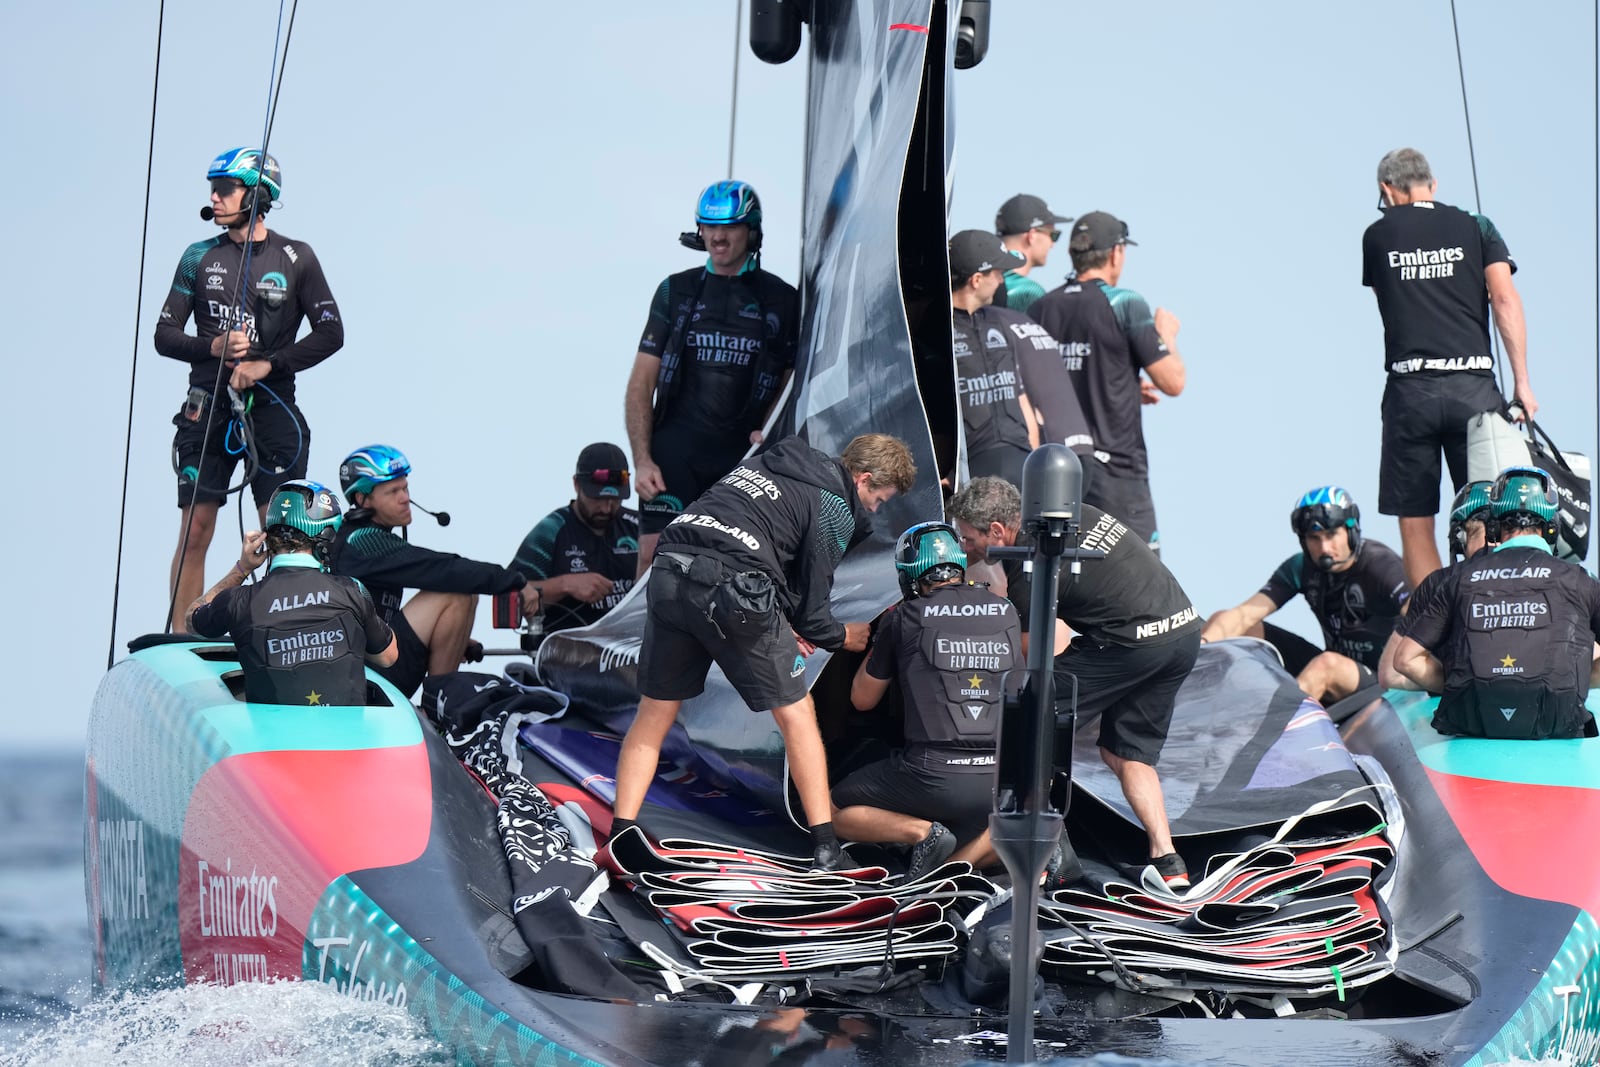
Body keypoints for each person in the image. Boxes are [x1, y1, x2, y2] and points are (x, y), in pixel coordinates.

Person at [610, 433, 918, 871]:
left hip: (669, 568)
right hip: (732, 587)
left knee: (655, 712)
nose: (874, 509)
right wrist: (843, 636)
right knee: (797, 713)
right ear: (863, 478)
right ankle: (827, 847)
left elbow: (767, 545)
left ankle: (620, 832)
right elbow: (813, 611)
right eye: (878, 499)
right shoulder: (833, 504)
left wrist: (786, 619)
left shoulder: (766, 464)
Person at [948, 476, 1200, 889]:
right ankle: (1168, 859)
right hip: (1183, 632)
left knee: (1034, 712)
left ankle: (1046, 849)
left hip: (1133, 642)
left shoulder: (1032, 562)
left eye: (968, 538)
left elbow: (1030, 657)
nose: (964, 547)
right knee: (1126, 755)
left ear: (997, 531)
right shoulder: (1066, 512)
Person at [156, 146, 344, 632]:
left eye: (224, 189)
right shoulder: (198, 256)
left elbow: (331, 333)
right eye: (211, 189)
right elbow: (164, 335)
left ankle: (284, 635)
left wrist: (268, 365)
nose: (213, 198)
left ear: (258, 195)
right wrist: (213, 345)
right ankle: (182, 635)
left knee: (284, 532)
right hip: (208, 406)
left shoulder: (297, 257)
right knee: (196, 528)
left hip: (272, 408)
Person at [1362, 147, 1537, 590]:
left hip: (1409, 388)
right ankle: (1490, 607)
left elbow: (1389, 301)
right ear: (1433, 185)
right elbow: (1504, 299)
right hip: (1473, 386)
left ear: (1387, 189)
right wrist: (1522, 384)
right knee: (1487, 508)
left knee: (1416, 517)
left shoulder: (1377, 235)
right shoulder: (1477, 226)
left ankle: (1431, 626)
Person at [624, 180, 801, 577]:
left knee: (735, 563)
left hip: (739, 456)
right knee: (654, 555)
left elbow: (791, 379)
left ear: (751, 230)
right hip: (674, 452)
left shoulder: (782, 299)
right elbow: (640, 383)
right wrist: (642, 459)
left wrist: (771, 430)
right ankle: (642, 640)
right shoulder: (675, 291)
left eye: (730, 227)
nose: (718, 236)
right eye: (709, 226)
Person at [834, 522, 1020, 878]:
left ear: (909, 575)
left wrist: (881, 645)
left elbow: (862, 700)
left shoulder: (903, 617)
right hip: (998, 778)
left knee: (827, 810)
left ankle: (921, 834)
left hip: (930, 774)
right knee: (1013, 823)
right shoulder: (1006, 610)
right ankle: (950, 869)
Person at [1393, 467, 1600, 739]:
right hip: (1558, 722)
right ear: (1551, 527)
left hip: (1473, 725)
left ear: (1493, 527)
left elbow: (1404, 660)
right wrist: (1574, 680)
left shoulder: (1458, 578)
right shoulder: (1580, 579)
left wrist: (1463, 686)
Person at [327, 445, 543, 698]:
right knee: (456, 593)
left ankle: (439, 704)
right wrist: (514, 581)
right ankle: (439, 708)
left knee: (463, 593)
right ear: (363, 500)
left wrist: (450, 639)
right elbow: (444, 569)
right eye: (393, 491)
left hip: (372, 664)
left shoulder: (361, 538)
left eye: (405, 487)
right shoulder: (362, 540)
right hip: (362, 676)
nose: (405, 498)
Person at [1028, 211, 1184, 555]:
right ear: (1116, 253)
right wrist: (1166, 335)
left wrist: (1129, 385)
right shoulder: (1123, 302)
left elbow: (1059, 376)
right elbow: (1172, 381)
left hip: (1057, 471)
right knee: (1144, 580)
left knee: (1063, 579)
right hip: (1117, 470)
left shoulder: (1041, 307)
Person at [185, 480, 396, 706]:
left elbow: (191, 618)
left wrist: (242, 568)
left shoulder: (237, 601)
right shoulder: (352, 590)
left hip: (273, 741)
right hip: (346, 739)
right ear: (325, 539)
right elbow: (388, 656)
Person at [1199, 487, 1409, 703]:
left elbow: (1423, 615)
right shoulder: (1300, 567)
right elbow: (1243, 615)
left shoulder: (1380, 564)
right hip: (1333, 669)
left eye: (1331, 534)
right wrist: (1201, 649)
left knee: (1326, 665)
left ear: (1351, 531)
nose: (1324, 547)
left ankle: (1280, 731)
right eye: (1314, 538)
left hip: (1384, 685)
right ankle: (1201, 704)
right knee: (1235, 625)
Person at [508, 442, 640, 641]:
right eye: (597, 498)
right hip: (567, 654)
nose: (606, 508)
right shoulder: (551, 530)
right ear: (576, 485)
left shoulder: (640, 527)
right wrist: (565, 585)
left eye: (615, 500)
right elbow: (509, 596)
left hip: (634, 648)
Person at [1379, 480, 1494, 691]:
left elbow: (1391, 673)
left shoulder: (1439, 584)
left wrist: (1458, 684)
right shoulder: (1554, 574)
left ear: (1459, 537)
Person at [949, 230, 1042, 487]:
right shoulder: (938, 332)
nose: (1002, 281)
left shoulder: (998, 322)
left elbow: (1020, 396)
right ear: (977, 279)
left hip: (1021, 460)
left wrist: (1033, 458)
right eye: (998, 273)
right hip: (976, 469)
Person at [994, 193, 1073, 314]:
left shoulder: (979, 279)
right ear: (1032, 235)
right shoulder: (1028, 292)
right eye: (1053, 235)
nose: (1053, 244)